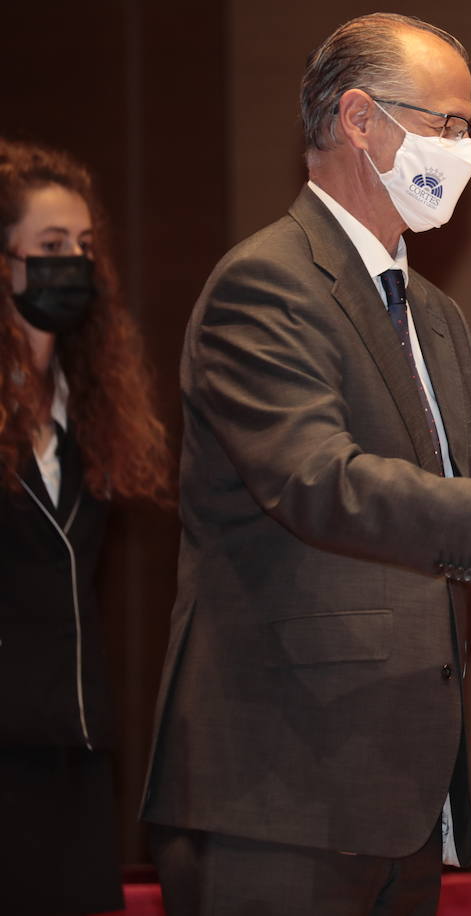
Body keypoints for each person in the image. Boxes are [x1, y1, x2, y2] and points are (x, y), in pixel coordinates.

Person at [139, 13, 471, 915]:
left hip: (404, 790)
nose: (466, 151)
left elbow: (462, 504)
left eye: (470, 129)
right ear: (359, 118)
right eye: (447, 125)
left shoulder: (436, 314)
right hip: (279, 782)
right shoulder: (265, 282)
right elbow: (321, 482)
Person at [0, 138, 172, 914]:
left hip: (77, 743)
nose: (74, 262)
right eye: (50, 246)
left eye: (84, 246)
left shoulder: (91, 412)